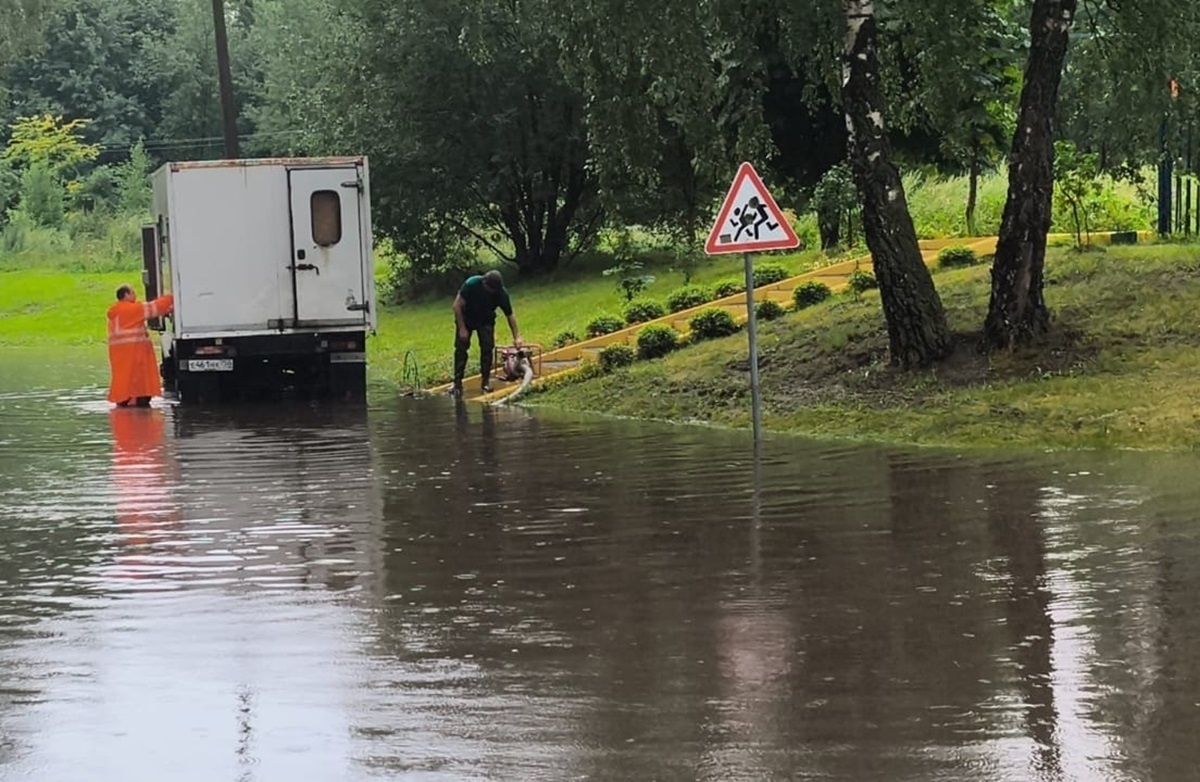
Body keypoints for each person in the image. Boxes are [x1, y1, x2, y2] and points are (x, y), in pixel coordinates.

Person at [451, 269, 521, 396]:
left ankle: (485, 382)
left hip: (485, 321)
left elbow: (510, 316)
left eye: (495, 290)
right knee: (461, 349)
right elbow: (457, 305)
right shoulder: (472, 283)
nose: (492, 292)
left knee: (487, 349)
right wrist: (462, 328)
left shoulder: (501, 293)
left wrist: (517, 337)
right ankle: (457, 383)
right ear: (484, 282)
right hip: (466, 318)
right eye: (490, 289)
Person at [107, 284, 175, 408]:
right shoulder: (131, 309)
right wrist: (173, 297)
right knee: (140, 380)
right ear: (126, 295)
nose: (135, 295)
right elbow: (155, 307)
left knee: (124, 379)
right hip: (134, 351)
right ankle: (137, 401)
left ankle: (125, 400)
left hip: (119, 354)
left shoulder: (115, 312)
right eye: (133, 293)